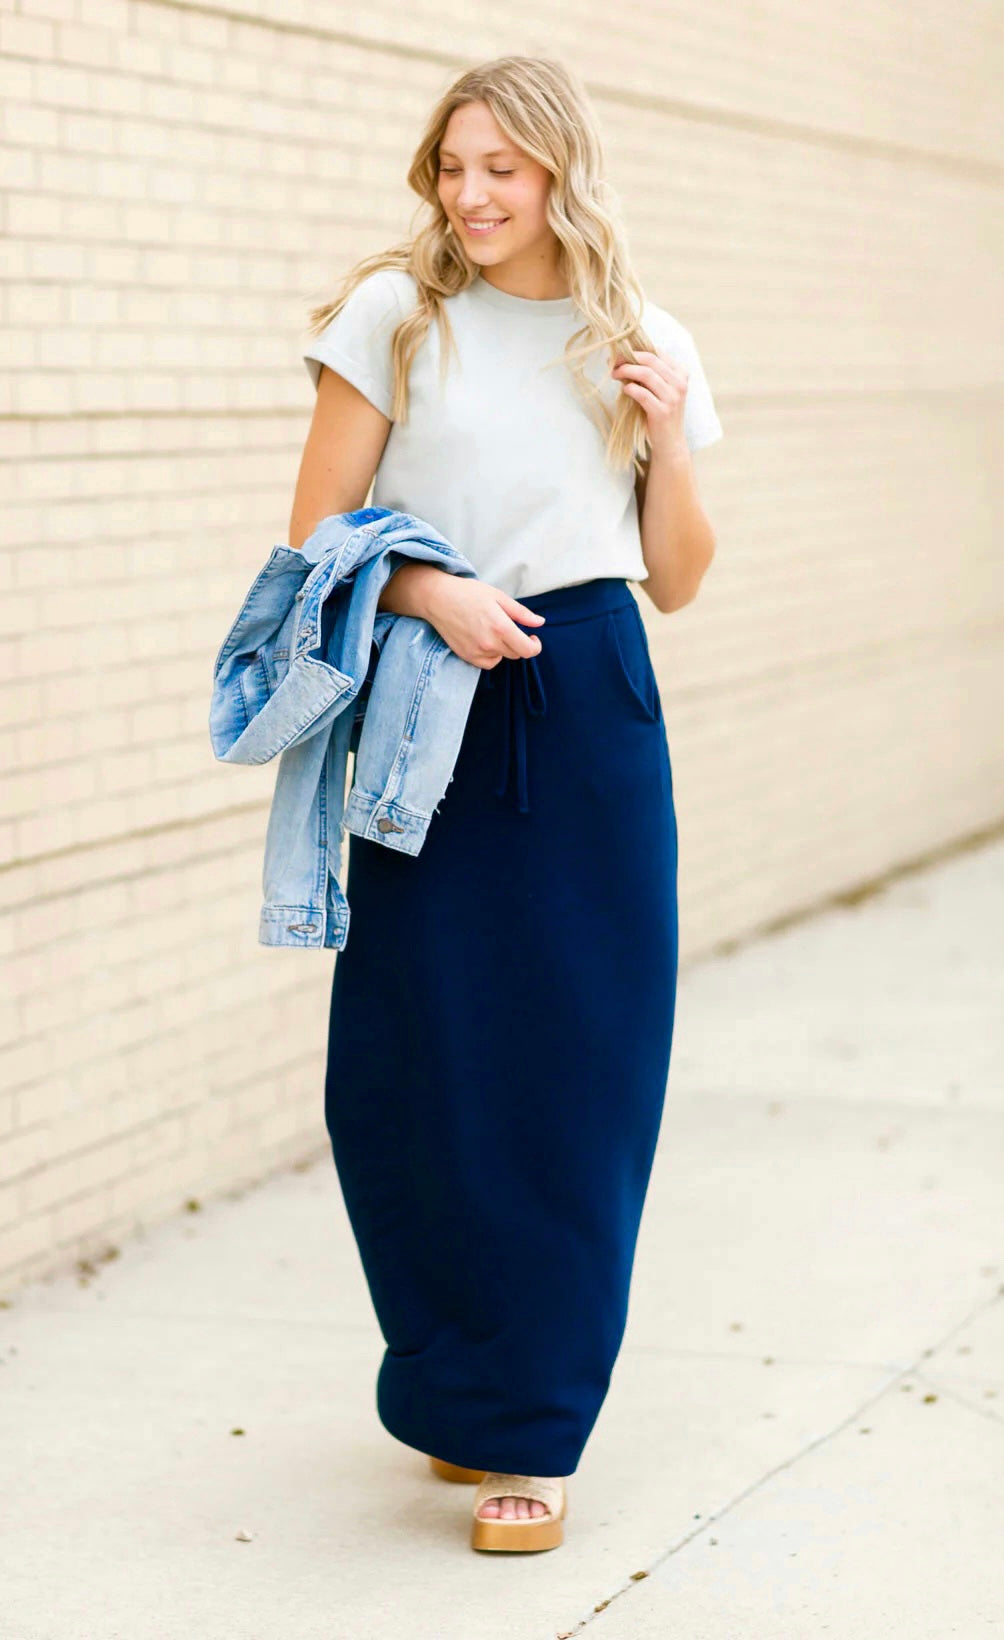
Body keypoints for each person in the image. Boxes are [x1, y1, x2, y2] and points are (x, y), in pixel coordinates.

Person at [290, 53, 724, 1554]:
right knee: (407, 1071)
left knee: (576, 1072)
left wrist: (667, 430)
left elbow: (675, 574)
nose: (472, 195)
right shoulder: (392, 320)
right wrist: (428, 592)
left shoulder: (641, 336)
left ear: (561, 175)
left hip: (592, 696)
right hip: (430, 700)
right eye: (453, 166)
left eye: (504, 169)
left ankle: (533, 1429)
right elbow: (313, 536)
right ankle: (458, 1383)